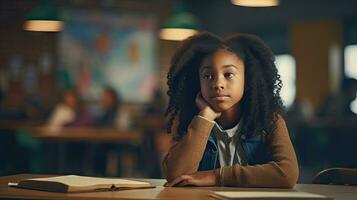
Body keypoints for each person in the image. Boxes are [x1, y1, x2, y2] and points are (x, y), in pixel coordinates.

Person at [163, 32, 298, 188]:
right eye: (207, 76)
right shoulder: (189, 121)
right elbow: (175, 176)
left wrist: (218, 176)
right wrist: (205, 118)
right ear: (197, 82)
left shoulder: (269, 121)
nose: (217, 84)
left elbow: (287, 174)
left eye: (228, 74)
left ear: (247, 81)